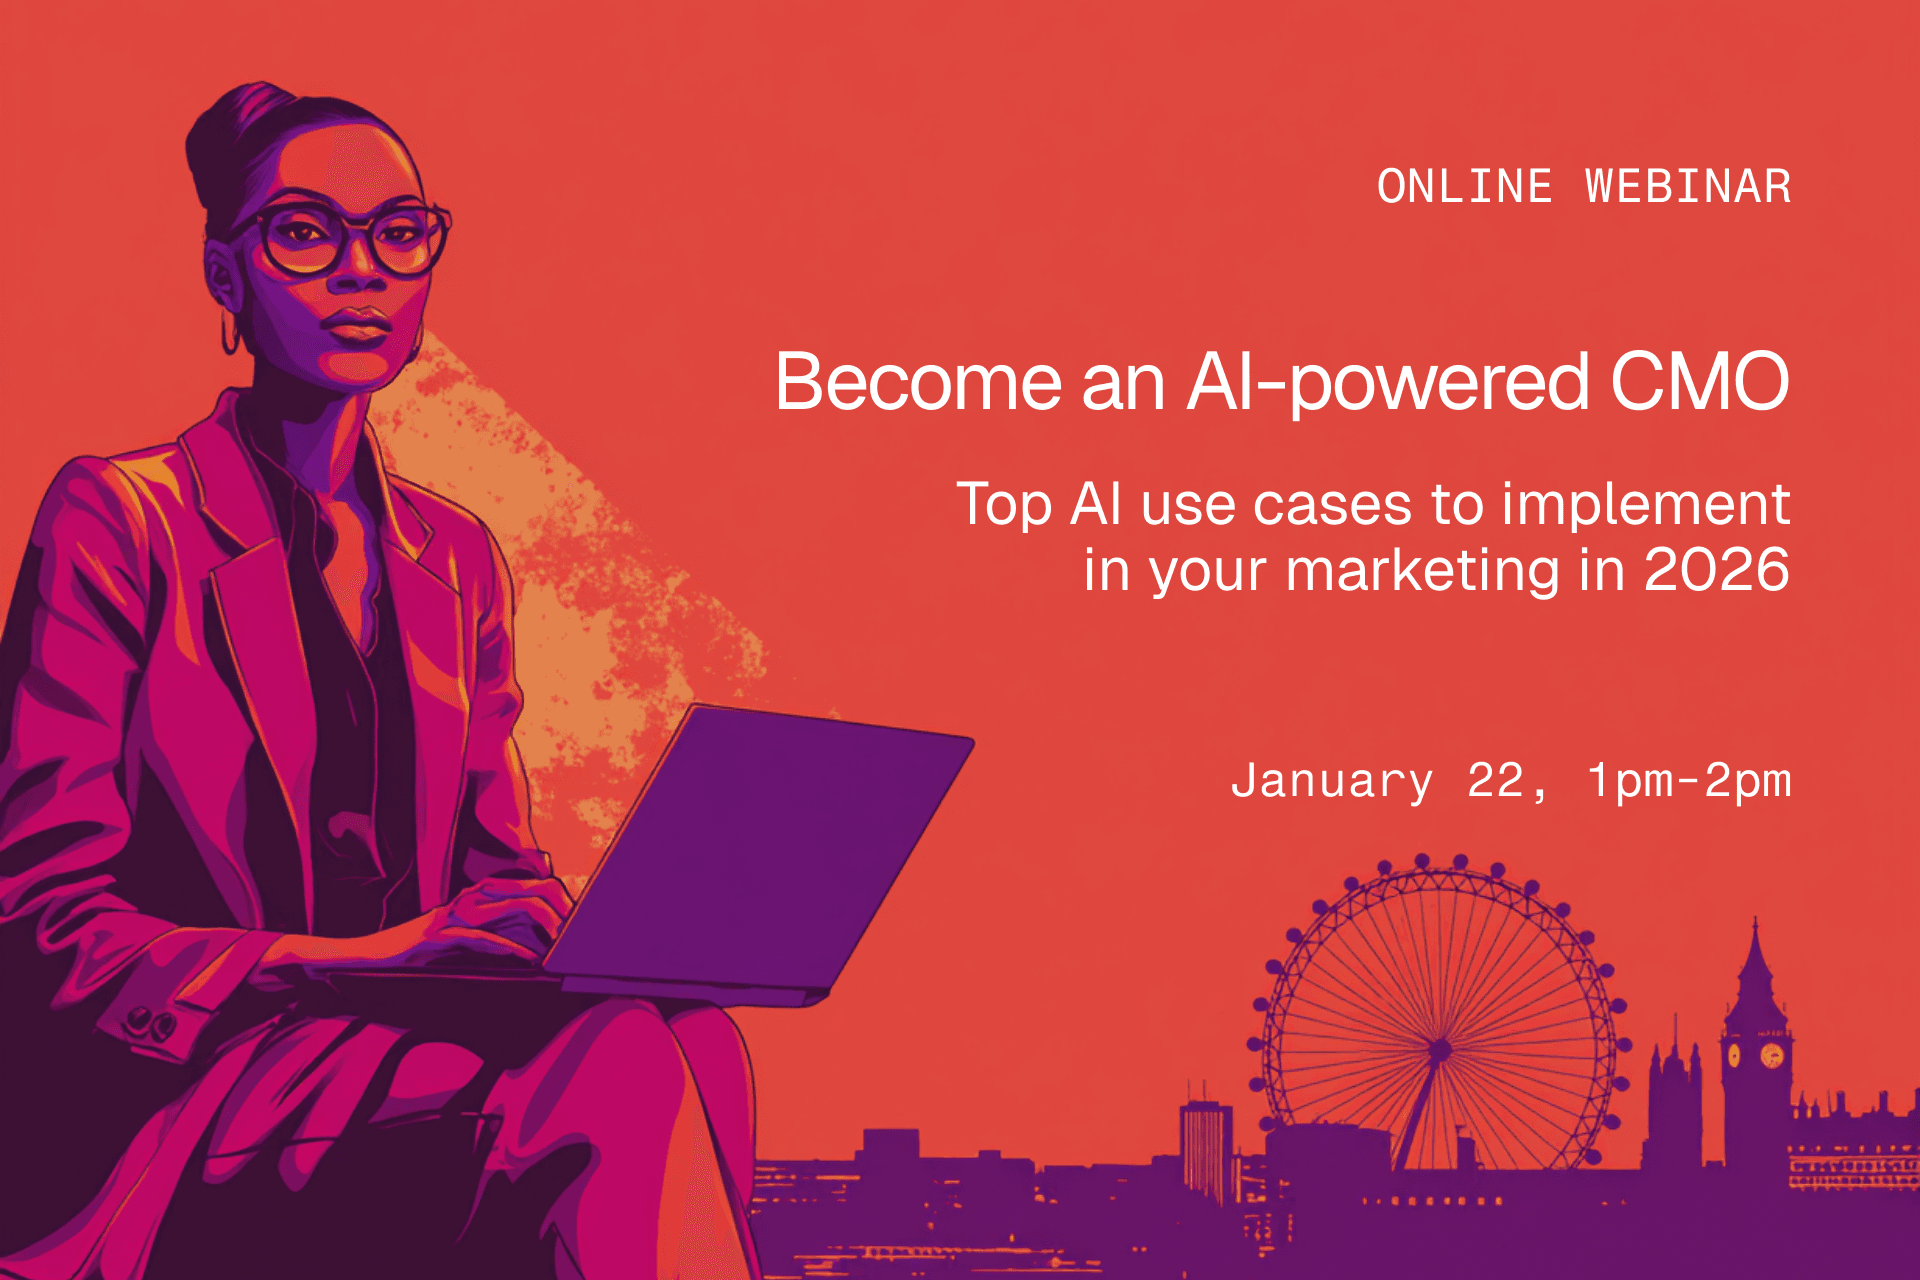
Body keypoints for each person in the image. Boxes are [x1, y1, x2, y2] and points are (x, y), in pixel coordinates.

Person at [0, 83, 758, 1280]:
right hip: (188, 1084)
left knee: (690, 1033)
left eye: (400, 232)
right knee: (618, 1068)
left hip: (389, 1050)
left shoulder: (454, 557)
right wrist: (365, 958)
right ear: (224, 273)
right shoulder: (122, 516)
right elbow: (45, 924)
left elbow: (498, 870)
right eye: (305, 231)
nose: (363, 270)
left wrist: (565, 933)